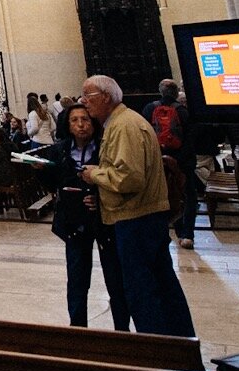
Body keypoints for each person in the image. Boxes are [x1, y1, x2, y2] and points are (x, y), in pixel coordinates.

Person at [78, 75, 196, 338]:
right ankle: (178, 345)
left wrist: (94, 174)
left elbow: (129, 178)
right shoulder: (121, 122)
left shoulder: (124, 126)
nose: (83, 101)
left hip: (137, 219)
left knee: (143, 292)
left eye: (88, 96)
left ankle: (156, 349)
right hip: (139, 217)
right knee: (162, 287)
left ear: (106, 97)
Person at [50, 104, 130, 330]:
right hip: (73, 222)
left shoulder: (105, 147)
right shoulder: (60, 150)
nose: (80, 125)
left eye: (85, 119)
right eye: (74, 120)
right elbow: (55, 182)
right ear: (68, 125)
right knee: (77, 279)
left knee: (115, 280)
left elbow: (117, 178)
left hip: (104, 221)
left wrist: (100, 198)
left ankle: (122, 330)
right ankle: (78, 330)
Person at [143, 78, 197, 248]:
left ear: (160, 91)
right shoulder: (183, 111)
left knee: (166, 196)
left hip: (159, 161)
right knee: (188, 196)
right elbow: (191, 138)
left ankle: (171, 231)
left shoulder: (149, 108)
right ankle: (186, 234)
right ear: (175, 93)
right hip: (182, 162)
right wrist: (181, 159)